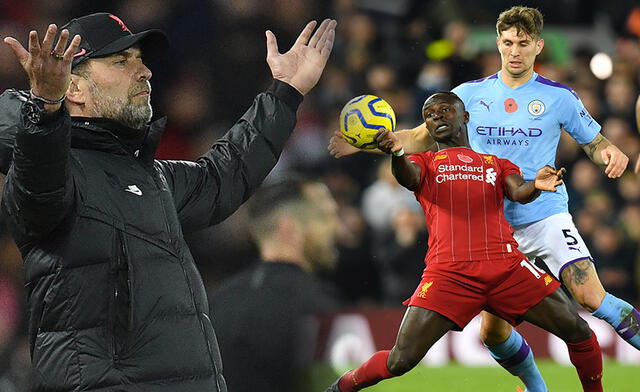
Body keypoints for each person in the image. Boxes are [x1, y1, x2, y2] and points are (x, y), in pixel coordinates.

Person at [1, 12, 336, 392]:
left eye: (141, 59)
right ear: (73, 88)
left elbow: (223, 176)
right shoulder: (48, 173)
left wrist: (286, 92)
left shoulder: (151, 176)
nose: (144, 72)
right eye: (121, 61)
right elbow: (39, 179)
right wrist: (43, 110)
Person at [329, 6, 637, 391]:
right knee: (493, 335)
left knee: (590, 296)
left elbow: (595, 142)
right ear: (498, 43)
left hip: (543, 214)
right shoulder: (467, 96)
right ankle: (537, 388)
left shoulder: (560, 97)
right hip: (491, 229)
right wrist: (365, 145)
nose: (515, 52)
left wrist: (609, 151)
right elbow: (413, 139)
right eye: (508, 43)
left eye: (524, 44)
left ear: (538, 45)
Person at [325, 91, 603, 392]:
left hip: (506, 268)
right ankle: (342, 386)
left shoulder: (495, 163)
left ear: (465, 117)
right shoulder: (423, 162)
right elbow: (407, 177)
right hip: (449, 275)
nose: (437, 117)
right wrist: (397, 153)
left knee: (579, 331)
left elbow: (518, 192)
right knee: (400, 361)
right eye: (429, 115)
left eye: (445, 110)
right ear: (427, 128)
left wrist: (536, 185)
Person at [209, 178, 339, 392]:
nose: (335, 229)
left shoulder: (215, 303)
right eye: (325, 217)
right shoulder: (318, 308)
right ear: (289, 227)